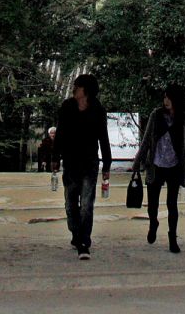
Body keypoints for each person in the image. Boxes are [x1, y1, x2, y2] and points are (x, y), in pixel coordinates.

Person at [52, 74, 111, 261]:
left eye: (77, 86)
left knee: (86, 204)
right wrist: (55, 157)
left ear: (85, 90)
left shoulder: (97, 110)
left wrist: (107, 163)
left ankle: (84, 241)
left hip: (90, 163)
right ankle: (75, 232)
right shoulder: (67, 107)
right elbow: (60, 133)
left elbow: (103, 137)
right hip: (70, 163)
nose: (74, 89)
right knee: (70, 204)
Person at [133, 83, 185, 254]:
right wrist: (138, 162)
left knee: (172, 204)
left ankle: (172, 238)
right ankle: (153, 223)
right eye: (165, 97)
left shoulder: (184, 119)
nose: (166, 101)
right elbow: (146, 140)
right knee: (153, 203)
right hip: (156, 164)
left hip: (174, 165)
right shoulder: (156, 115)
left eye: (169, 97)